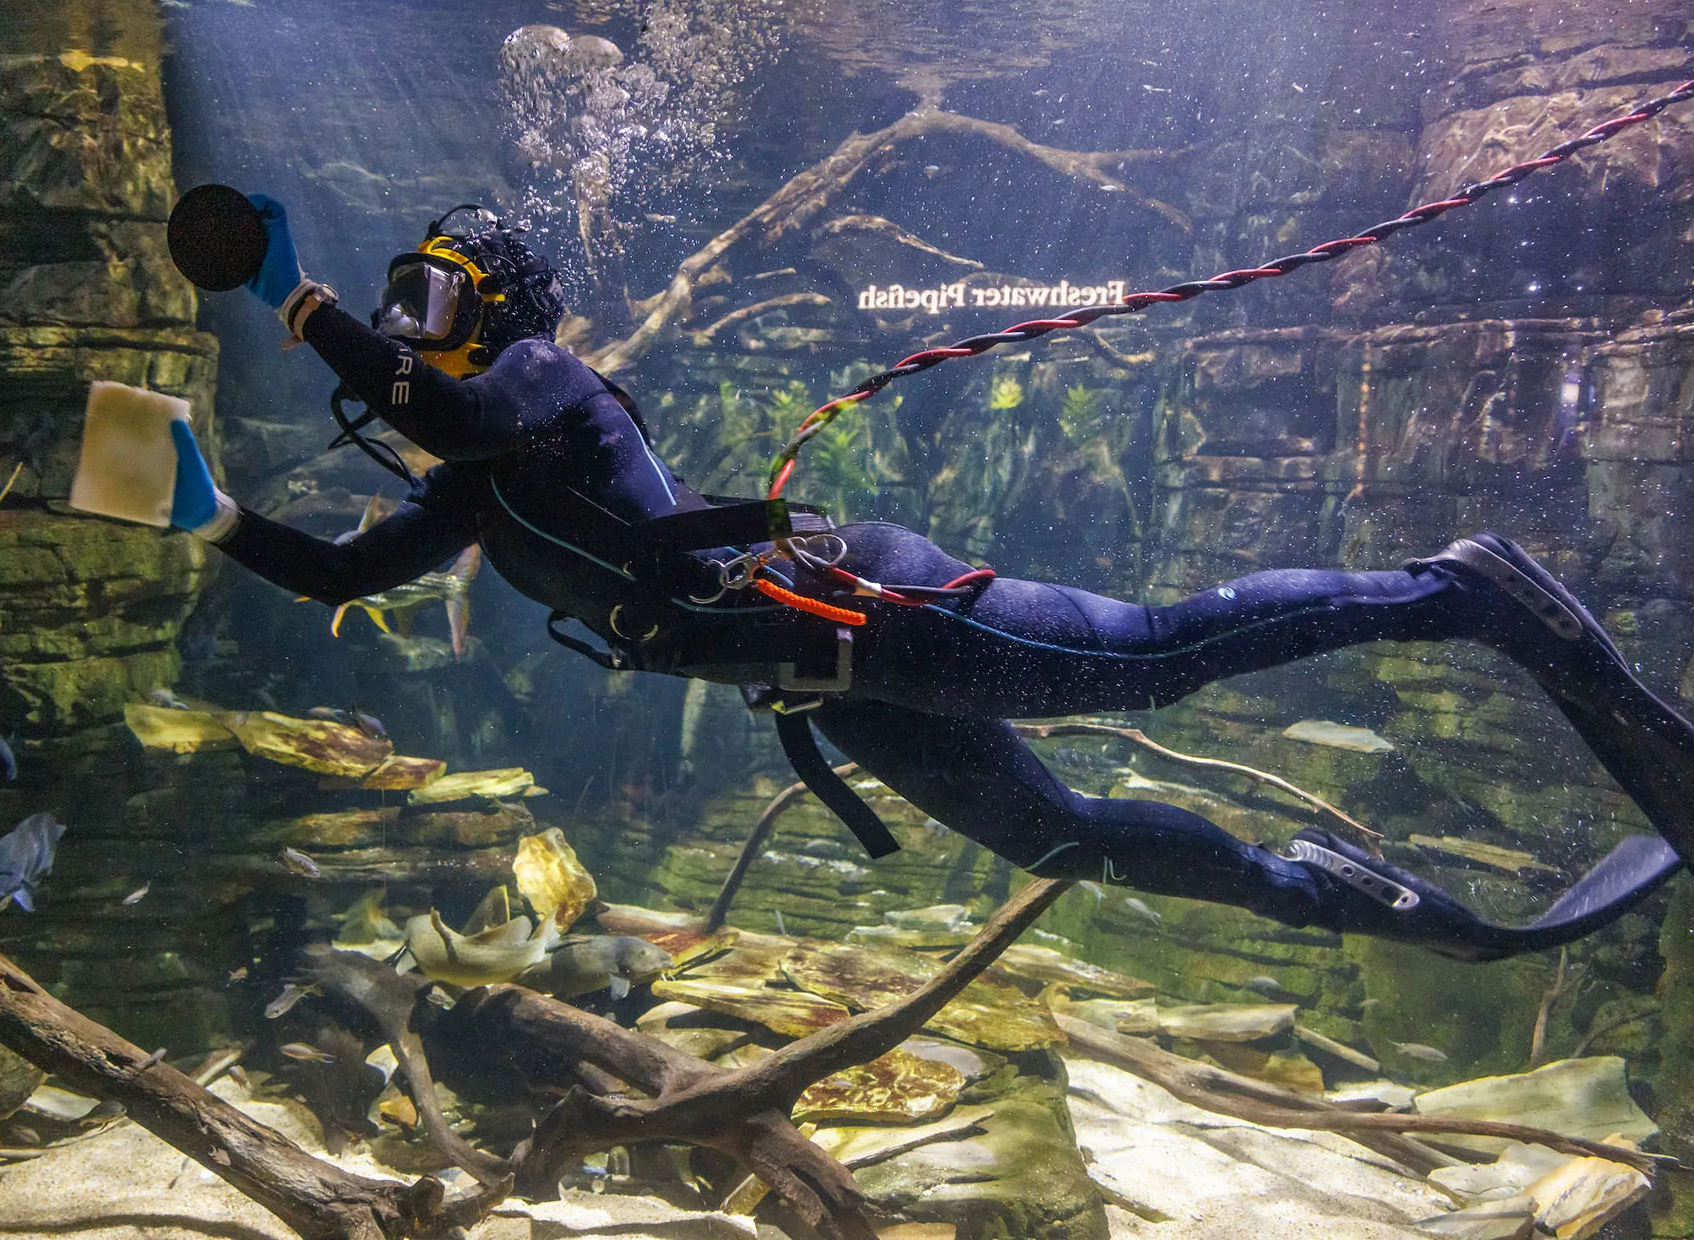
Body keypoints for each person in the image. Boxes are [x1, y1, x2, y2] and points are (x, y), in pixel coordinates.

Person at [160, 194, 1689, 960]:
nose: (402, 329)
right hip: (829, 677)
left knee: (1155, 657)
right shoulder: (477, 491)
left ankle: (1461, 588)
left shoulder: (543, 383)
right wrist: (205, 516)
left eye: (425, 300)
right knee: (1058, 841)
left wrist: (286, 291)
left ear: (496, 312)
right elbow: (336, 568)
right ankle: (1339, 896)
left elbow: (441, 401)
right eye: (392, 305)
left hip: (868, 610)